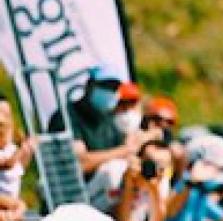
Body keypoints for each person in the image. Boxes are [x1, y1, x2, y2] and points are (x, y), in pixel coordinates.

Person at [47, 68, 161, 212]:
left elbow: (125, 153)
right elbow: (80, 163)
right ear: (89, 86)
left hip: (98, 195)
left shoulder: (107, 118)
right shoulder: (67, 117)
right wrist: (125, 150)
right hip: (71, 197)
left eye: (113, 88)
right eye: (104, 86)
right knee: (113, 171)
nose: (110, 92)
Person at [0, 95, 35, 200]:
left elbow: (19, 167)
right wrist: (21, 149)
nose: (3, 121)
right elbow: (8, 164)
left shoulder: (12, 149)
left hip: (11, 203)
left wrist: (28, 150)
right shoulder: (11, 153)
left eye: (7, 115)